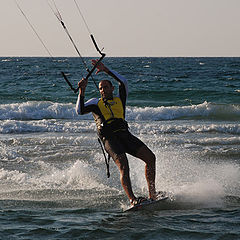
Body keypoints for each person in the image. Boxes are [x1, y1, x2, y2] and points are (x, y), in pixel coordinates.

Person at [76, 59, 157, 205]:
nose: (103, 90)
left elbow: (124, 82)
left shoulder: (120, 98)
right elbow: (79, 110)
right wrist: (82, 91)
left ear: (112, 88)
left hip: (125, 135)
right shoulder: (95, 103)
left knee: (150, 158)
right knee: (124, 166)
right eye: (100, 88)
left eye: (106, 87)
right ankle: (133, 200)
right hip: (110, 139)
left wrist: (106, 70)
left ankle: (153, 194)